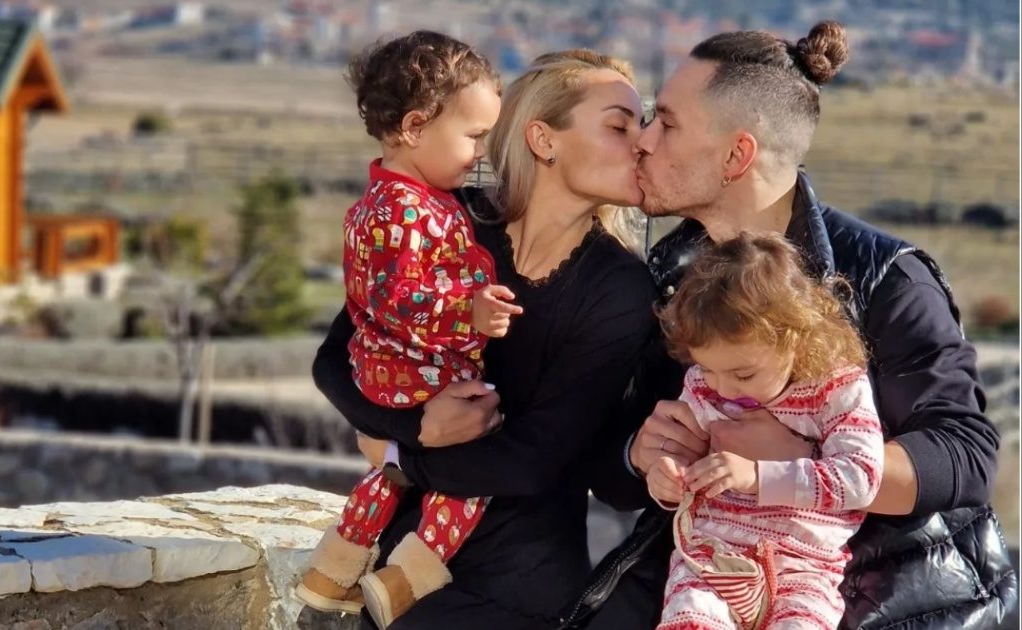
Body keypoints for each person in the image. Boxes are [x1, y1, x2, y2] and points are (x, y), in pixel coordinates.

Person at [577, 20, 1016, 630]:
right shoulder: (667, 275)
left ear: (737, 155)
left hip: (882, 604)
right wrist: (640, 455)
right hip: (713, 588)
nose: (644, 140)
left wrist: (795, 462)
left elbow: (964, 456)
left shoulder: (884, 277)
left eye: (667, 123)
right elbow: (610, 459)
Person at [313, 49, 658, 629]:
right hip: (390, 577)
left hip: (516, 595)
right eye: (619, 127)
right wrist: (413, 427)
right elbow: (335, 359)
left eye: (641, 126)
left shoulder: (619, 288)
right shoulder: (451, 221)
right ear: (543, 140)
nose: (642, 143)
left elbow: (533, 460)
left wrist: (399, 457)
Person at [295, 31, 523, 630]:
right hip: (417, 371)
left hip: (387, 373)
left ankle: (331, 573)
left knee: (390, 472)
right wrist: (468, 312)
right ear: (416, 127)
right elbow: (396, 298)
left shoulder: (390, 200)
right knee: (474, 470)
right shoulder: (406, 211)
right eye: (473, 136)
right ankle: (406, 579)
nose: (480, 153)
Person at [650, 232, 883, 630]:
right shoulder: (704, 385)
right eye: (707, 368)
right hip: (713, 557)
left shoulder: (836, 388)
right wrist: (667, 481)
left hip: (804, 568)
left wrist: (758, 476)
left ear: (796, 337)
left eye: (743, 374)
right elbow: (683, 458)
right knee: (689, 619)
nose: (723, 388)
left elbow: (861, 478)